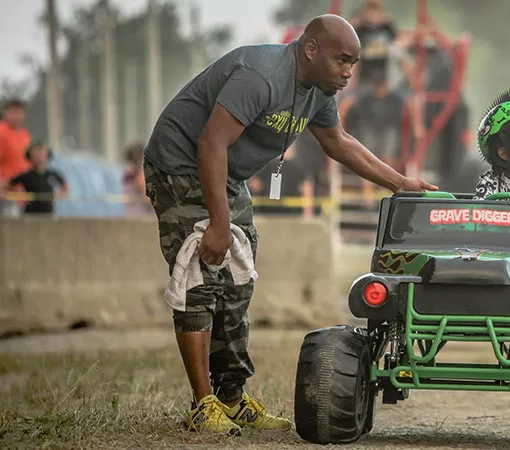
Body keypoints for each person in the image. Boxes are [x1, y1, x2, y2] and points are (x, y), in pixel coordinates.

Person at [141, 13, 437, 435]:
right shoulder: (260, 77)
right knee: (200, 275)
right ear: (311, 49)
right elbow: (210, 142)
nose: (349, 73)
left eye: (353, 63)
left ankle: (231, 398)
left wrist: (401, 183)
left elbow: (338, 142)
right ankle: (202, 403)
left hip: (226, 174)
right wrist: (219, 226)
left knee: (239, 280)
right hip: (180, 163)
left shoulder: (319, 89)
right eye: (343, 61)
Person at [6, 141, 68, 215]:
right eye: (36, 155)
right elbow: (8, 186)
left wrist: (58, 195)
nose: (39, 158)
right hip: (30, 214)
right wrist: (19, 196)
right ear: (30, 157)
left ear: (47, 156)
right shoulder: (26, 176)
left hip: (48, 214)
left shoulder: (53, 175)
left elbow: (64, 187)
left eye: (42, 154)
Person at [0, 99, 31, 216]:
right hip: (6, 194)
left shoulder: (25, 135)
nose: (16, 116)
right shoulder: (2, 133)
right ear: (6, 113)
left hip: (22, 194)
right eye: (13, 112)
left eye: (19, 112)